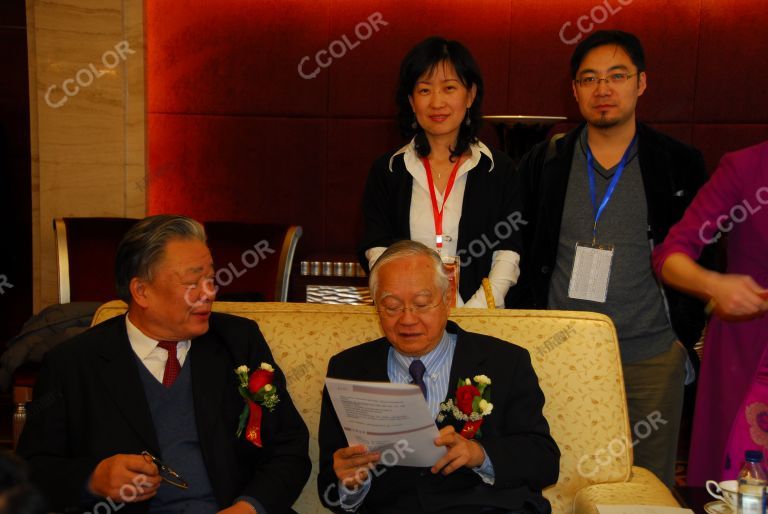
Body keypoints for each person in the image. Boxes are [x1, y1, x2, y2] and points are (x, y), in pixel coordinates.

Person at [514, 30, 712, 486]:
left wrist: (684, 337)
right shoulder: (546, 161)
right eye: (590, 79)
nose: (603, 89)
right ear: (575, 90)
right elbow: (523, 250)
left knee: (646, 488)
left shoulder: (678, 163)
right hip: (562, 355)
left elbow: (708, 256)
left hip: (650, 358)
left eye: (617, 76)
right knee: (561, 482)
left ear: (641, 83)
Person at [17, 215, 311, 513]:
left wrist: (250, 508)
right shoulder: (73, 363)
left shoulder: (239, 342)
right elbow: (33, 471)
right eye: (192, 282)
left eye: (210, 279)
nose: (209, 293)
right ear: (141, 291)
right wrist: (92, 479)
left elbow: (289, 447)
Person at [318, 240, 559, 514]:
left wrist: (479, 454)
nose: (407, 319)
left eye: (421, 304)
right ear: (376, 307)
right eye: (392, 306)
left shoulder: (505, 362)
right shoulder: (347, 369)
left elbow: (544, 462)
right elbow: (330, 488)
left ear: (446, 300)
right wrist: (349, 482)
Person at [358, 36, 523, 309]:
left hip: (480, 320)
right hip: (407, 318)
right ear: (411, 101)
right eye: (424, 90)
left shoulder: (499, 170)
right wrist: (404, 304)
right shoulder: (388, 171)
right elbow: (377, 249)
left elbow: (508, 251)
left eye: (449, 88)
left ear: (470, 95)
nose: (437, 102)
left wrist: (478, 312)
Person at [652, 140, 768, 485]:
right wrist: (714, 284)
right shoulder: (746, 167)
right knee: (740, 479)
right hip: (748, 350)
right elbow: (669, 255)